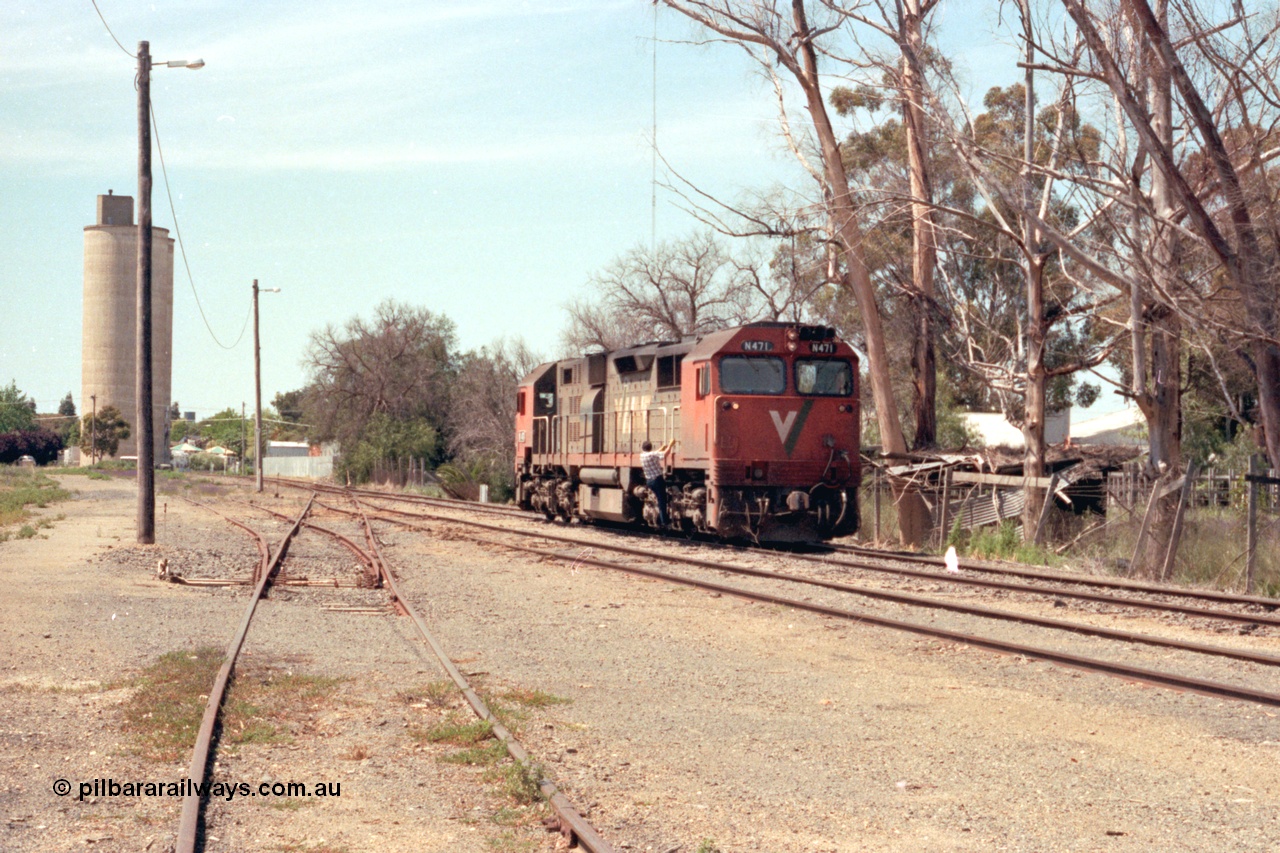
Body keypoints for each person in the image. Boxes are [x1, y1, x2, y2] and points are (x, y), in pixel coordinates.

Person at [640, 439, 674, 527]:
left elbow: (654, 454)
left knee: (659, 499)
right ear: (650, 448)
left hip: (649, 481)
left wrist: (661, 448)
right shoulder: (652, 454)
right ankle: (665, 522)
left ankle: (658, 517)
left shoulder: (642, 455)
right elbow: (664, 454)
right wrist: (670, 445)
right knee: (662, 500)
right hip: (657, 480)